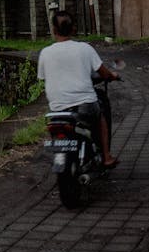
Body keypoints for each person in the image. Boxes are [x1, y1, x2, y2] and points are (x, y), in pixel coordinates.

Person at [37, 9, 120, 167]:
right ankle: (107, 157)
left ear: (53, 30)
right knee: (100, 117)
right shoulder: (85, 48)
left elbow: (44, 78)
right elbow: (103, 73)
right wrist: (112, 75)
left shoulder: (45, 53)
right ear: (74, 29)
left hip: (57, 110)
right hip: (85, 107)